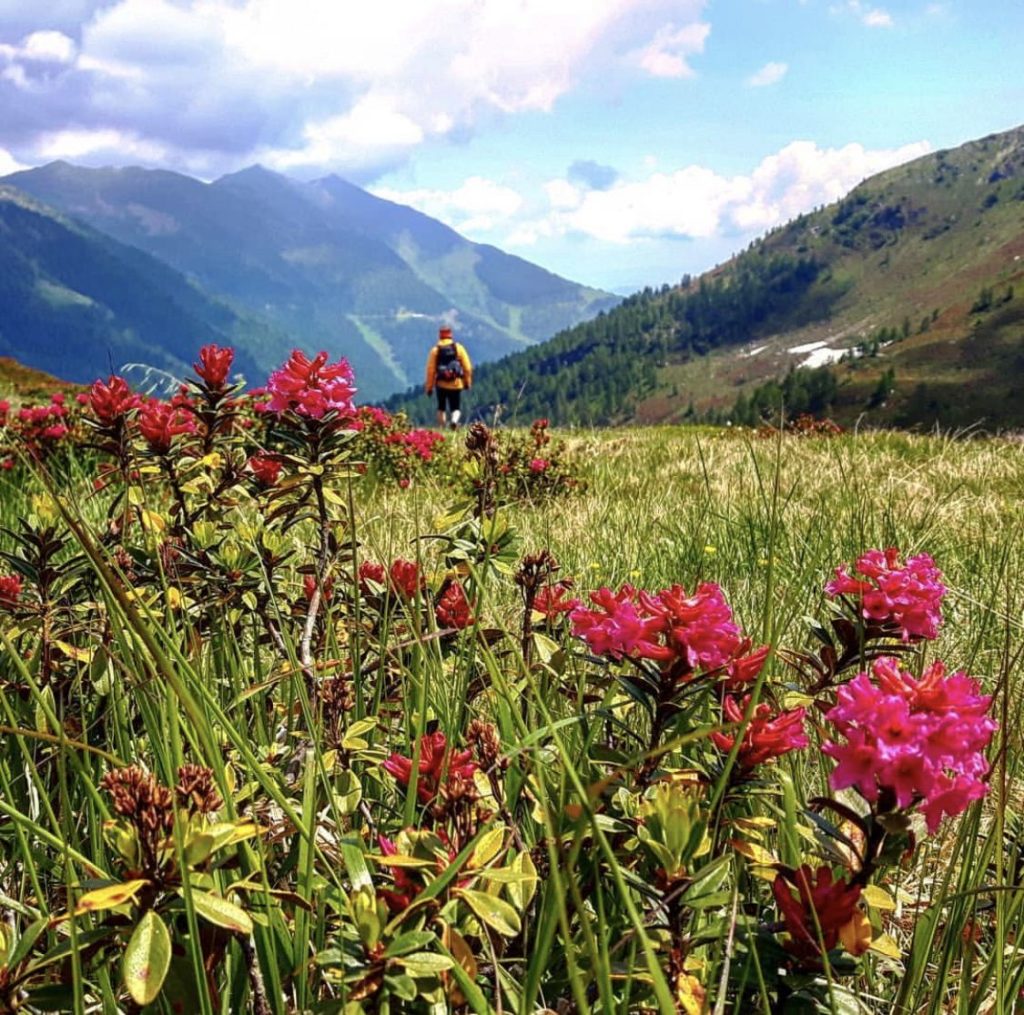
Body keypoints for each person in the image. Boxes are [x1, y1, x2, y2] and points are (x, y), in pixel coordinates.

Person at [424, 325, 472, 429]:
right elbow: (467, 367)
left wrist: (429, 387)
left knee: (441, 407)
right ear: (451, 335)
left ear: (440, 335)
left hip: (441, 384)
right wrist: (467, 382)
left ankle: (442, 427)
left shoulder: (435, 350)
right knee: (456, 407)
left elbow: (430, 370)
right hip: (456, 383)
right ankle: (454, 421)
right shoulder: (458, 348)